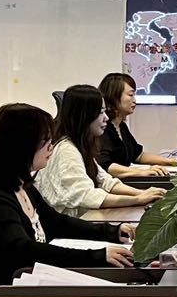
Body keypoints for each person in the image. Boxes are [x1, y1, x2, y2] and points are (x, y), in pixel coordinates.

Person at [0, 102, 136, 294]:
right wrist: (97, 256)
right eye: (45, 141)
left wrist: (111, 232)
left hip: (23, 287)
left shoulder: (23, 187)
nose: (51, 147)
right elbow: (25, 251)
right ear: (22, 146)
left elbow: (56, 222)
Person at [37, 84, 164, 217]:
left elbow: (104, 181)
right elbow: (87, 196)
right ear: (84, 116)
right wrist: (137, 200)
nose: (106, 118)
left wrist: (143, 193)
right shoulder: (67, 151)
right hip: (67, 225)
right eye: (101, 112)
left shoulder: (80, 146)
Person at [97, 72, 177, 180]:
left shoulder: (121, 126)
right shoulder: (103, 128)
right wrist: (141, 172)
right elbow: (105, 166)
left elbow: (138, 155)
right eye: (131, 95)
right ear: (114, 97)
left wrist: (172, 162)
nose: (134, 100)